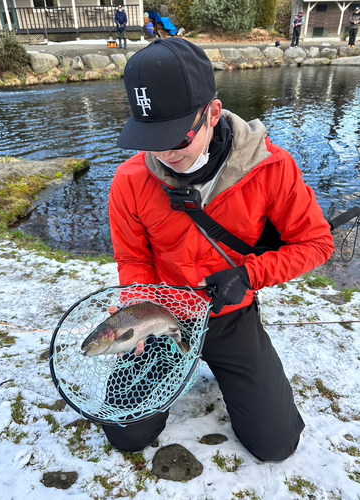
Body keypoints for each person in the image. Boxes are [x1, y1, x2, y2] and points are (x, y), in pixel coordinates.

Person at [104, 38, 334, 461]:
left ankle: (225, 365)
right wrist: (136, 307)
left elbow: (318, 243)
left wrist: (249, 276)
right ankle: (176, 362)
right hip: (162, 316)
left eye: (176, 138)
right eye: (151, 138)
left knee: (275, 445)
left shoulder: (272, 167)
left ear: (211, 113)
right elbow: (134, 258)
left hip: (230, 315)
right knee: (125, 434)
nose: (163, 153)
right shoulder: (129, 181)